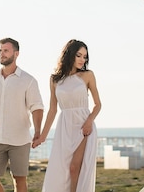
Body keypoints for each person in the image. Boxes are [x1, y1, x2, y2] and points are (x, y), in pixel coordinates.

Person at [0, 37, 44, 192]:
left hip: (19, 139)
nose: (2, 54)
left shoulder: (28, 80)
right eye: (0, 51)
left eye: (6, 50)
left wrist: (38, 131)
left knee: (19, 179)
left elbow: (37, 107)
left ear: (16, 54)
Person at [32, 39, 102, 192]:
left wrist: (89, 121)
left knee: (74, 168)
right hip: (64, 127)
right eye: (79, 55)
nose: (82, 60)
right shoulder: (55, 80)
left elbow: (98, 105)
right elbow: (52, 110)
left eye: (85, 57)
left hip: (84, 126)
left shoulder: (88, 75)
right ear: (70, 55)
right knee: (61, 171)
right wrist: (42, 136)